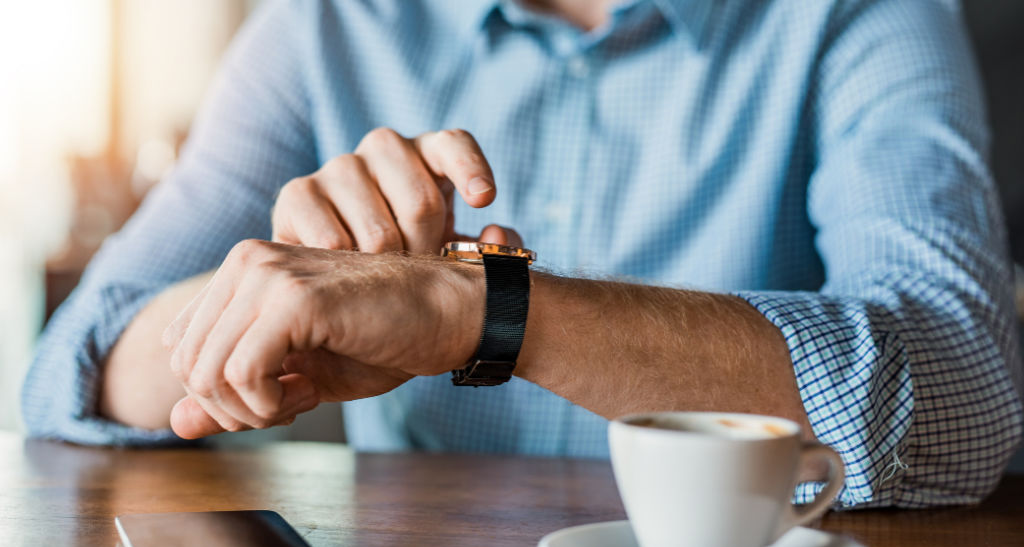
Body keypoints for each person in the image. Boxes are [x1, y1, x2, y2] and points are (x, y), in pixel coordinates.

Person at [22, 0, 1023, 509]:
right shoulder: (328, 22)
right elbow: (73, 364)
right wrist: (270, 298)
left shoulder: (864, 15)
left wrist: (482, 311)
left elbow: (969, 400)